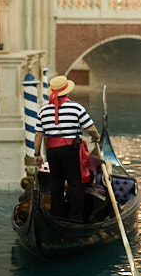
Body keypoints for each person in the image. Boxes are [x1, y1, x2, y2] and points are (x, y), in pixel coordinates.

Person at [33, 75, 100, 222]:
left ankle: (57, 218)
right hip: (71, 150)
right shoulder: (76, 107)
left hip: (52, 152)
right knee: (76, 184)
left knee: (56, 184)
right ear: (67, 92)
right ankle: (76, 220)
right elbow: (90, 128)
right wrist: (96, 137)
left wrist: (37, 154)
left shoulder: (43, 111)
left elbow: (38, 135)